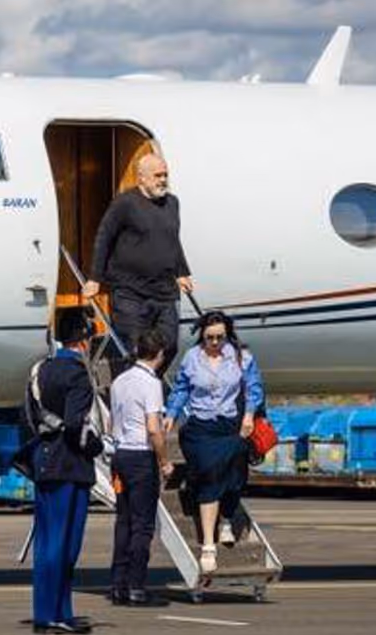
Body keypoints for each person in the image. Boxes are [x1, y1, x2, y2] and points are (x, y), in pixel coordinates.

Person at [164, 311, 264, 575]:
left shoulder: (242, 357)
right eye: (210, 338)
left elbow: (254, 389)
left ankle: (228, 517)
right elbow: (182, 388)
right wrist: (172, 414)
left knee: (235, 476)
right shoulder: (192, 358)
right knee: (209, 476)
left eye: (220, 337)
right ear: (202, 336)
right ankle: (209, 544)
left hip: (230, 426)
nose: (215, 343)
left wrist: (249, 416)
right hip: (200, 427)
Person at [23, 306, 104, 635]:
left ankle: (49, 612)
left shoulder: (40, 371)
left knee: (47, 543)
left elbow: (26, 417)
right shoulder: (78, 374)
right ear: (83, 341)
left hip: (44, 462)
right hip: (70, 464)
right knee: (66, 545)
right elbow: (75, 425)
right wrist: (97, 446)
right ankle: (57, 613)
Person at [83, 153, 192, 377]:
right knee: (135, 348)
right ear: (141, 178)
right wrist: (95, 278)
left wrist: (182, 272)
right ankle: (136, 395)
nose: (163, 180)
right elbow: (104, 237)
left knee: (169, 345)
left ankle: (150, 382)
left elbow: (172, 239)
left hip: (164, 291)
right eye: (157, 175)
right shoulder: (125, 204)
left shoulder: (172, 203)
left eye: (165, 175)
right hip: (130, 292)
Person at [108, 327, 172, 607]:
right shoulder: (151, 383)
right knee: (143, 525)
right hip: (140, 456)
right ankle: (137, 586)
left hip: (120, 453)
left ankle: (118, 585)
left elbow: (112, 421)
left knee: (124, 521)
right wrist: (164, 460)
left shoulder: (119, 380)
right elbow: (154, 429)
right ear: (159, 354)